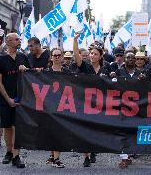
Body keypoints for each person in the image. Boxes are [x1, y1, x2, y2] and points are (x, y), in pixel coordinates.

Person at [0, 33, 30, 168]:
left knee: (17, 127)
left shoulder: (23, 57)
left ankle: (16, 156)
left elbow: (29, 76)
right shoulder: (0, 60)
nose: (19, 41)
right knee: (8, 127)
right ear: (8, 42)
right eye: (16, 39)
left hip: (20, 99)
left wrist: (25, 70)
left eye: (19, 39)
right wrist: (7, 98)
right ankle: (9, 151)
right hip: (5, 99)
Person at [73, 32, 108, 167]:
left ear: (100, 56)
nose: (92, 56)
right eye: (91, 53)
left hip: (100, 104)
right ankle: (86, 156)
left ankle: (93, 149)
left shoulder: (106, 68)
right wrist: (75, 40)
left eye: (95, 54)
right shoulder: (85, 66)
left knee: (96, 129)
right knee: (85, 128)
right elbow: (76, 55)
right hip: (85, 102)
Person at [44, 48, 70, 168]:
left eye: (59, 55)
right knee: (53, 132)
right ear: (51, 57)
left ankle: (55, 157)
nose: (57, 57)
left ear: (63, 57)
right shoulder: (46, 72)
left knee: (58, 132)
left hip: (64, 105)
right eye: (55, 55)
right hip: (49, 106)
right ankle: (55, 158)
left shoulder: (67, 71)